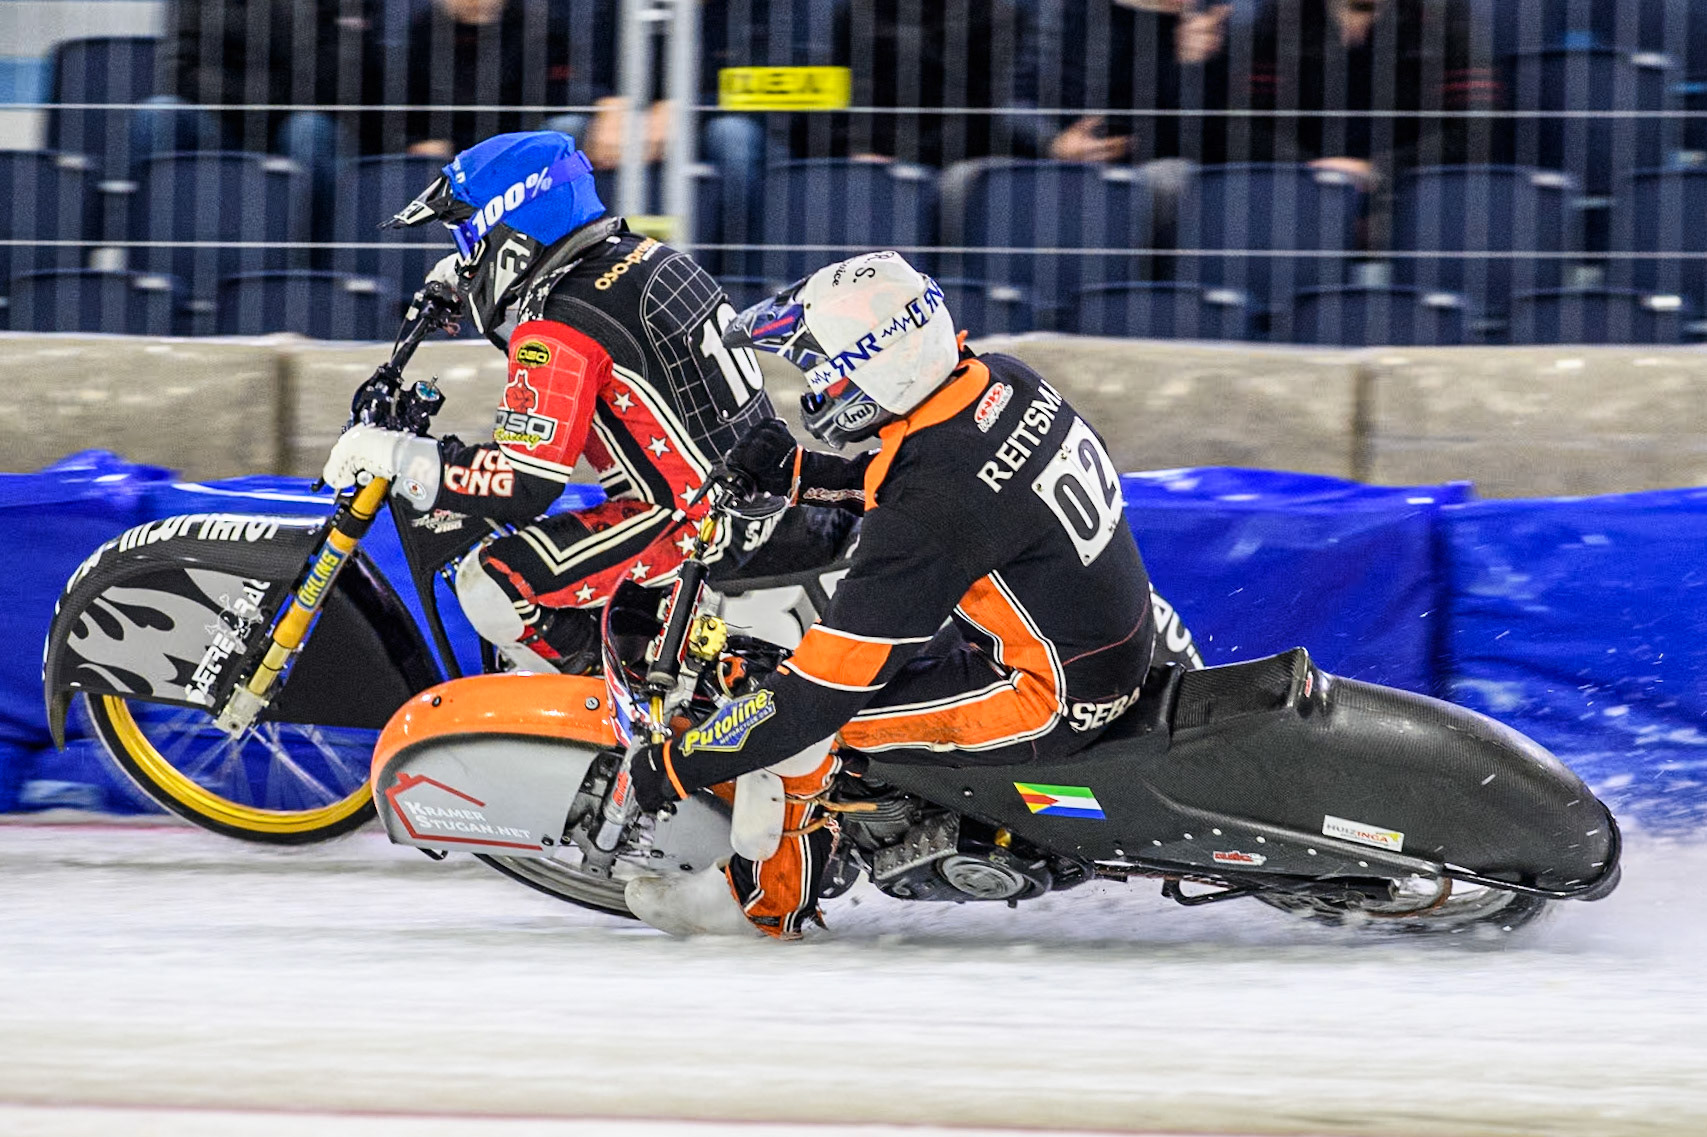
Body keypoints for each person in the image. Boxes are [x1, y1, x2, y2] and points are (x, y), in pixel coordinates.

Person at [623, 251, 1158, 939]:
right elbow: (937, 485)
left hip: (1048, 692)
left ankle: (761, 905)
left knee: (806, 724)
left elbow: (815, 696)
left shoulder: (929, 509)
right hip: (1103, 630)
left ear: (883, 364)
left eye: (826, 368)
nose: (817, 386)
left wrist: (678, 761)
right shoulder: (998, 380)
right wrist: (797, 473)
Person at [319, 131, 779, 674]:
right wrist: (469, 284)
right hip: (758, 493)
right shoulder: (644, 255)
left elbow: (523, 483)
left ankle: (607, 703)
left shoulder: (558, 324)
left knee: (491, 581)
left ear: (513, 230)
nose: (465, 261)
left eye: (469, 241)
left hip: (697, 525)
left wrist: (397, 455)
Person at [141, 1, 385, 235]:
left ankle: (313, 265)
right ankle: (149, 254)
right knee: (159, 114)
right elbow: (178, 73)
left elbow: (329, 76)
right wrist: (260, 97)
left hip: (296, 121)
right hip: (221, 121)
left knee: (309, 130)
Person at [1244, 0, 1498, 194]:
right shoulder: (1277, 23)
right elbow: (1239, 126)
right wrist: (1312, 170)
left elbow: (1479, 131)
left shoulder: (1445, 23)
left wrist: (1378, 169)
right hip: (1300, 191)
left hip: (1413, 191)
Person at [403, 0, 611, 158]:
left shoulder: (538, 28)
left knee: (568, 128)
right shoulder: (420, 31)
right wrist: (418, 141)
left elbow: (557, 96)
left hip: (520, 144)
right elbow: (402, 107)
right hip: (443, 149)